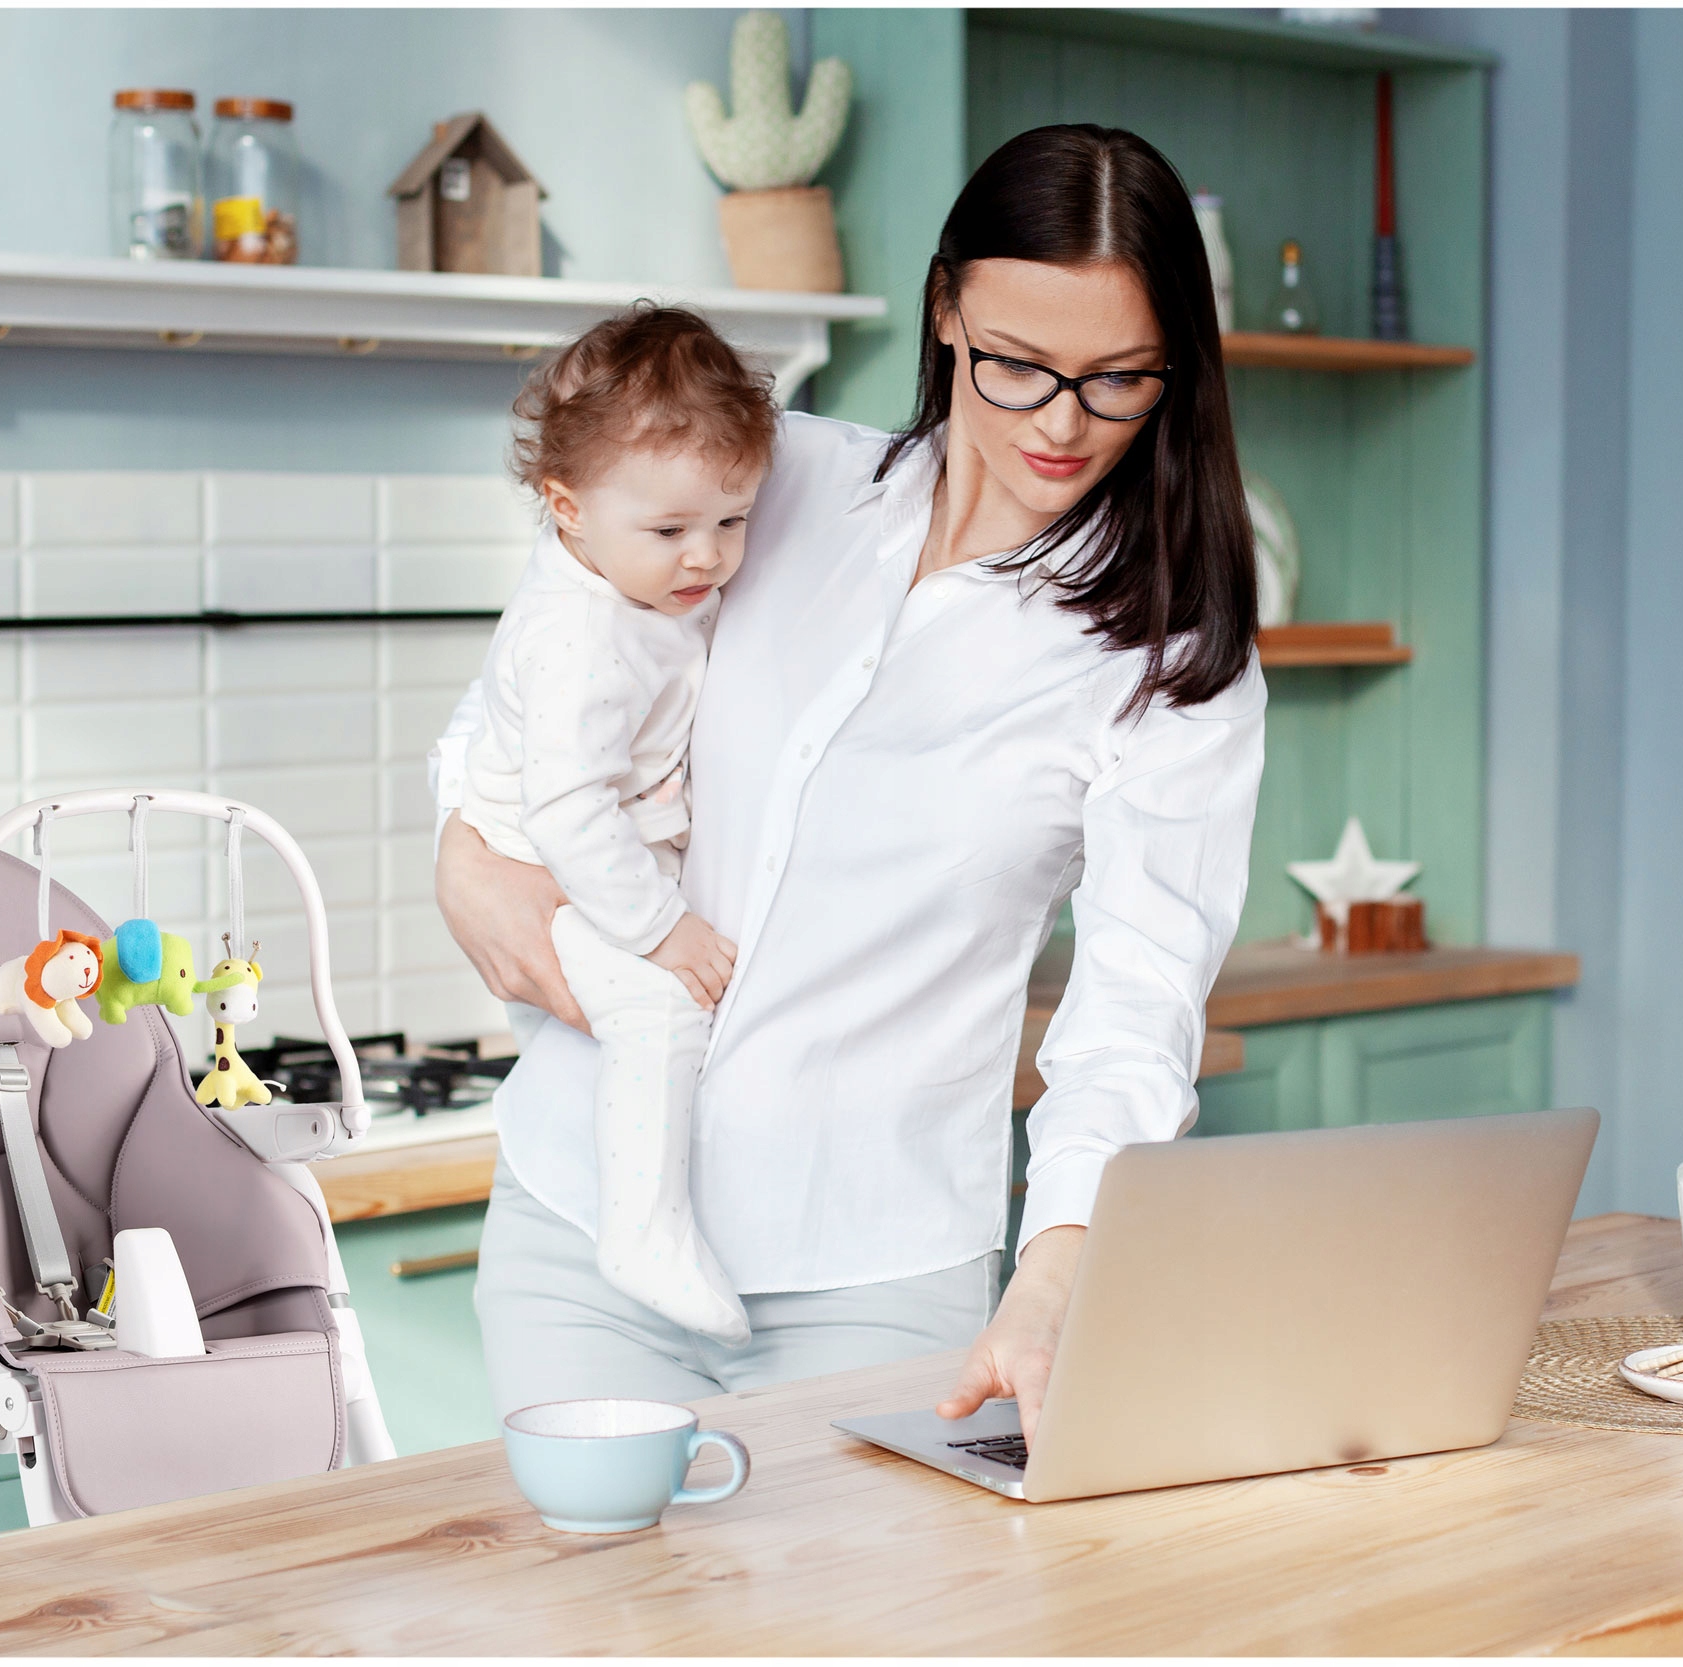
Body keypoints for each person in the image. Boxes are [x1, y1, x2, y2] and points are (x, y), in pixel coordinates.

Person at [432, 124, 1268, 1447]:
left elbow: (1135, 1008)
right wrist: (462, 851)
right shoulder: (769, 486)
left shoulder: (1172, 662)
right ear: (946, 313)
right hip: (579, 1231)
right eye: (1019, 363)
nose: (1062, 420)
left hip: (874, 1281)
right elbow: (541, 688)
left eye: (1118, 379)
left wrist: (1053, 1267)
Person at [458, 305, 777, 1345]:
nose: (708, 557)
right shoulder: (578, 639)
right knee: (658, 1014)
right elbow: (568, 810)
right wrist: (660, 930)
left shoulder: (638, 583)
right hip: (542, 862)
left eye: (732, 521)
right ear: (567, 509)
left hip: (585, 853)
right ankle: (639, 1231)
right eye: (673, 530)